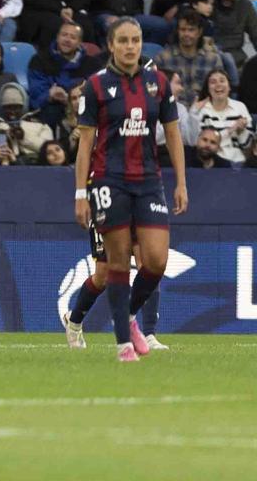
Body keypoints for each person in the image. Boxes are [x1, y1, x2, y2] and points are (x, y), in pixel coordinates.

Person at [71, 18, 187, 362]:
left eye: (135, 40)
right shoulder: (95, 86)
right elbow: (85, 145)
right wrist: (80, 193)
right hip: (109, 181)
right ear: (111, 45)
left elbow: (173, 133)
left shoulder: (158, 83)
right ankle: (124, 343)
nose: (130, 46)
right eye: (123, 40)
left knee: (156, 260)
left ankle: (128, 315)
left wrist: (181, 182)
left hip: (149, 181)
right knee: (116, 263)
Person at [27, 21, 104, 129]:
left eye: (73, 37)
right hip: (52, 109)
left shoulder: (93, 64)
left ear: (79, 42)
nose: (67, 40)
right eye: (64, 35)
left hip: (83, 108)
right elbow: (35, 97)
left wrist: (73, 98)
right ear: (57, 37)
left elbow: (100, 92)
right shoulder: (39, 61)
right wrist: (49, 95)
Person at [156, 9, 228, 106]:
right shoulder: (162, 58)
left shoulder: (213, 59)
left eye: (191, 30)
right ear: (177, 31)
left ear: (199, 32)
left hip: (205, 110)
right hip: (174, 110)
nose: (186, 34)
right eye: (183, 29)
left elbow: (221, 91)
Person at [191, 68, 252, 164]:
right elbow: (198, 144)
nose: (218, 84)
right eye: (213, 82)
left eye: (222, 81)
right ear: (208, 89)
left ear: (229, 86)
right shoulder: (200, 110)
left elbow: (247, 146)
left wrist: (241, 132)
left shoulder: (240, 107)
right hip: (210, 163)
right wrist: (230, 130)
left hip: (237, 162)